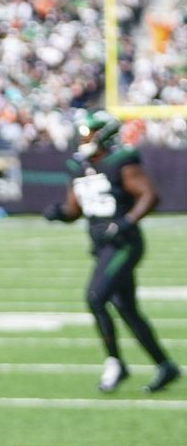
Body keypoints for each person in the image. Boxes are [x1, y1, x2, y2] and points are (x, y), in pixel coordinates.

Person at [44, 109, 180, 393]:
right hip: (101, 245)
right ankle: (165, 365)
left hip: (123, 244)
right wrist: (58, 213)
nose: (83, 138)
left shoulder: (121, 162)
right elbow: (74, 209)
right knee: (127, 309)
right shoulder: (79, 167)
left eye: (87, 132)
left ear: (103, 134)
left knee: (95, 298)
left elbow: (149, 195)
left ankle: (115, 362)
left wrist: (125, 222)